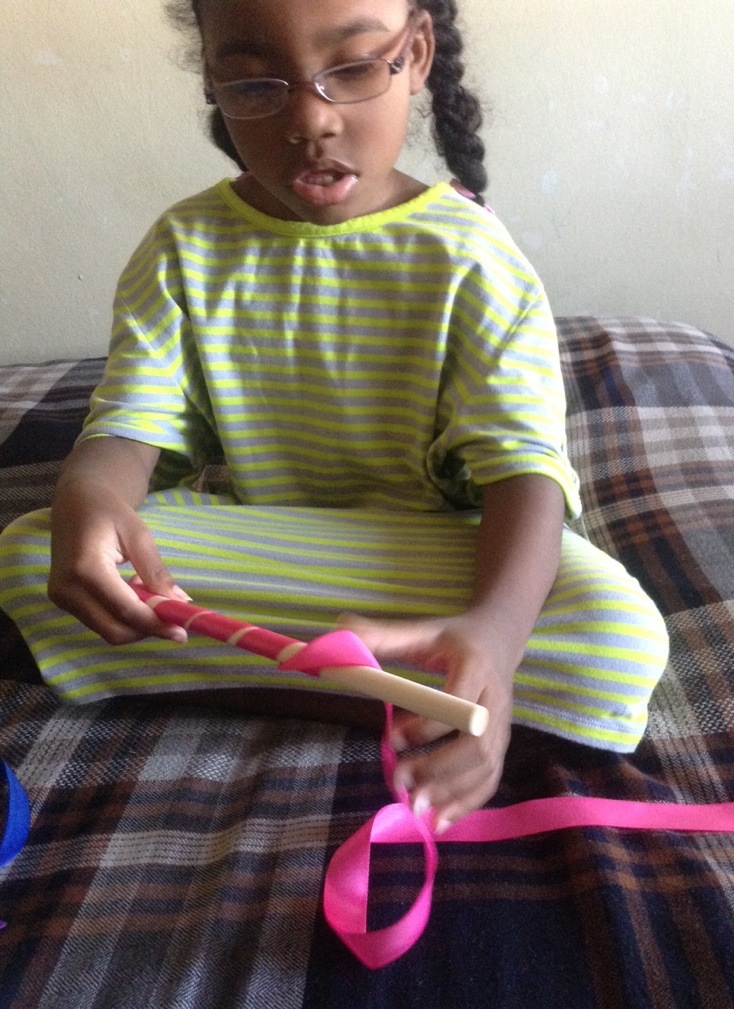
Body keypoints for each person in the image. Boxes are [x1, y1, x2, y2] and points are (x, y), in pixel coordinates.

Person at [0, 0, 669, 832]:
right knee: (33, 552)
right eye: (255, 84)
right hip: (272, 541)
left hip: (435, 560)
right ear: (212, 82)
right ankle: (402, 691)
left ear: (414, 55)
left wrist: (493, 638)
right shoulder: (183, 246)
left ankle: (357, 672)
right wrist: (91, 495)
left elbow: (522, 468)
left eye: (351, 68)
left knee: (617, 634)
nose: (310, 121)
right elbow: (132, 424)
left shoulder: (471, 257)